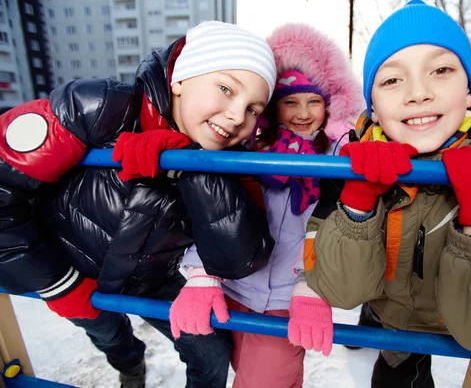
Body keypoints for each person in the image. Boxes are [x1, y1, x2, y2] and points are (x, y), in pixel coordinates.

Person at [0, 21, 277, 388]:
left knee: (210, 351)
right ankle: (130, 364)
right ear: (180, 77)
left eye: (254, 109)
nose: (238, 116)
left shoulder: (233, 162)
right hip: (72, 266)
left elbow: (241, 258)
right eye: (226, 88)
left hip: (154, 276)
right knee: (110, 337)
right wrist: (58, 284)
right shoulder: (99, 108)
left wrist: (194, 170)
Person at [303, 0, 471, 388]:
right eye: (392, 80)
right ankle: (376, 316)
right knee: (388, 354)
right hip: (386, 307)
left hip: (439, 320)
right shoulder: (351, 163)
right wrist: (358, 202)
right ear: (375, 109)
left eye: (442, 70)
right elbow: (336, 290)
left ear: (469, 93)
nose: (418, 93)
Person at [169, 22, 364, 388]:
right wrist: (202, 272)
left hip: (290, 298)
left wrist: (314, 286)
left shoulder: (339, 155)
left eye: (314, 101)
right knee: (242, 369)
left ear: (330, 103)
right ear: (274, 107)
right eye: (291, 101)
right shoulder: (250, 149)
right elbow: (215, 209)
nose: (303, 113)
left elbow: (342, 224)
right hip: (237, 285)